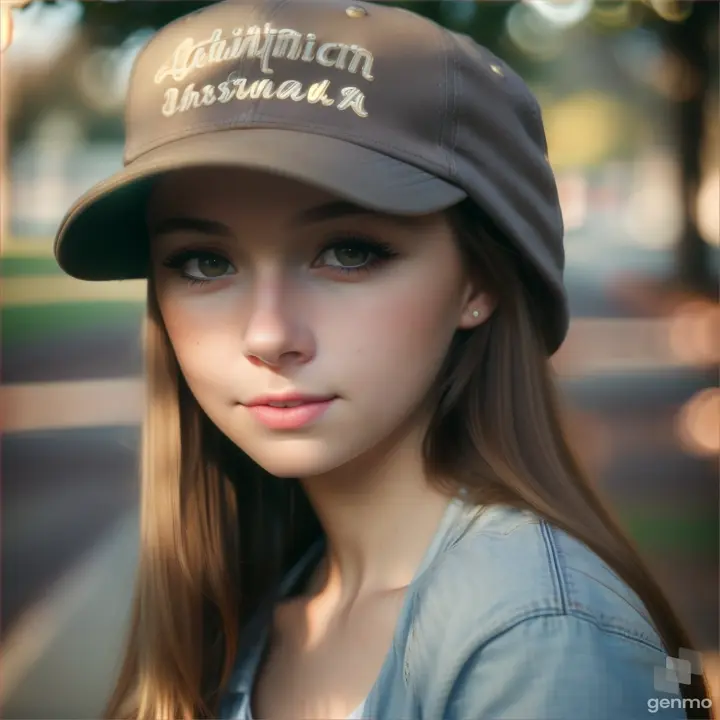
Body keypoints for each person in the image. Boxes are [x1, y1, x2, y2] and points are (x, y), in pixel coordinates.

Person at [53, 0, 712, 718]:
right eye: (204, 261)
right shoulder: (259, 604)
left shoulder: (544, 639)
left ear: (480, 281)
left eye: (348, 252)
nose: (269, 335)